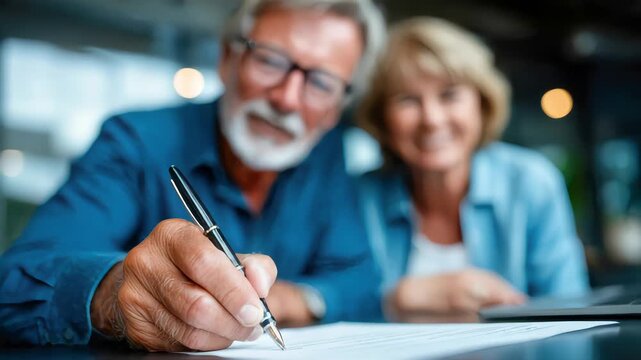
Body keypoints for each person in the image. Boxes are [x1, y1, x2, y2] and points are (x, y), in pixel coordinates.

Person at [0, 0, 386, 351]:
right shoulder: (134, 142)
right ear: (227, 59)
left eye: (321, 83)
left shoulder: (326, 159)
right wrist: (115, 293)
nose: (287, 98)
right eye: (270, 60)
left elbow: (361, 281)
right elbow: (16, 282)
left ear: (337, 109)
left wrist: (292, 298)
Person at [356, 17, 589, 322]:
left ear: (482, 104)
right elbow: (333, 305)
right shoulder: (360, 197)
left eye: (449, 95)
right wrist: (402, 297)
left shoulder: (531, 182)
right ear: (382, 118)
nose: (432, 119)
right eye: (408, 100)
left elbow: (571, 310)